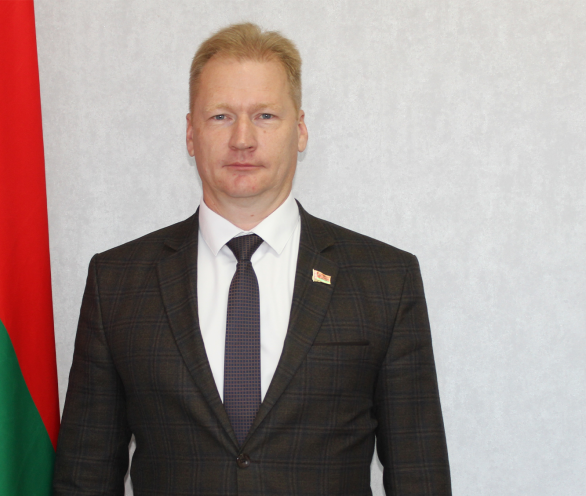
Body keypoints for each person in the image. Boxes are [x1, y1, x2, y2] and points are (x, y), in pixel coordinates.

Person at [53, 23, 451, 495]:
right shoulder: (118, 282)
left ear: (300, 130)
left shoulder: (385, 280)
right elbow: (85, 478)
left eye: (265, 115)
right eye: (221, 116)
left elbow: (420, 477)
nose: (242, 138)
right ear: (190, 133)